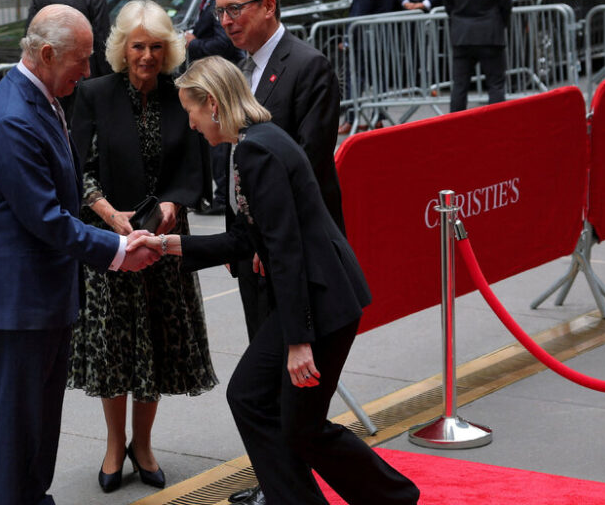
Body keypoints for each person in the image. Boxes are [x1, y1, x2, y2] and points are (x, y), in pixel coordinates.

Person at [128, 55, 421, 505]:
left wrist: (298, 340)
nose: (190, 124)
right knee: (266, 407)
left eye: (191, 110)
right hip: (320, 297)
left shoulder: (255, 150)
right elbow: (250, 238)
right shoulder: (260, 140)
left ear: (212, 104)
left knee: (292, 421)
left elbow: (284, 249)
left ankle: (393, 496)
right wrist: (169, 246)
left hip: (319, 302)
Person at [0, 4, 159, 505]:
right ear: (47, 54)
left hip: (42, 295)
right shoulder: (13, 119)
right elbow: (47, 219)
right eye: (82, 59)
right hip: (20, 301)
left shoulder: (41, 96)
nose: (89, 71)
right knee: (19, 424)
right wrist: (118, 250)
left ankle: (33, 496)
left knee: (39, 419)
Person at [68, 0, 217, 494]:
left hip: (166, 241)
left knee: (154, 344)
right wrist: (112, 216)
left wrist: (174, 205)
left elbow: (195, 164)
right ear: (121, 49)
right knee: (114, 349)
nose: (147, 56)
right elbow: (79, 168)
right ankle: (115, 445)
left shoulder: (181, 95)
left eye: (156, 46)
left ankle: (144, 444)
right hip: (111, 242)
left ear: (169, 49)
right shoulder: (93, 94)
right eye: (138, 46)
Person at [215, 0, 343, 336]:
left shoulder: (308, 66)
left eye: (235, 9)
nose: (226, 21)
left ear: (268, 5)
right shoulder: (242, 70)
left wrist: (270, 237)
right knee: (263, 360)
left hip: (292, 250)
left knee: (295, 368)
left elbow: (309, 164)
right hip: (250, 248)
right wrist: (235, 237)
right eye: (220, 12)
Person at [186, 0, 243, 216]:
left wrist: (192, 43)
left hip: (220, 77)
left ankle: (221, 197)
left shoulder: (220, 1)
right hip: (211, 77)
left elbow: (223, 43)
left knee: (219, 136)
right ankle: (215, 195)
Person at [444, 0, 512, 112]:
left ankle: (455, 126)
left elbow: (448, 5)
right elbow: (506, 1)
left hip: (462, 35)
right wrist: (501, 23)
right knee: (496, 84)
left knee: (459, 86)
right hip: (490, 33)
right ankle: (496, 124)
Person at [337, 0, 393, 135]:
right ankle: (377, 119)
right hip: (378, 40)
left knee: (354, 80)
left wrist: (347, 40)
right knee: (378, 80)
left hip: (363, 42)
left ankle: (351, 119)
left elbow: (358, 13)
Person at [27, 0, 111, 79]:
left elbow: (30, 32)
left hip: (48, 71)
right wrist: (107, 77)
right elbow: (101, 40)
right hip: (82, 74)